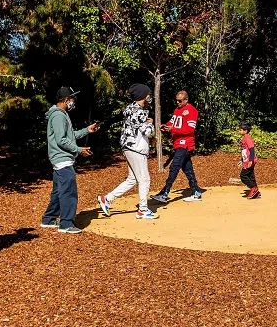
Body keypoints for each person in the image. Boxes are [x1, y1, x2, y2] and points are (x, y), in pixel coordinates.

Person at [41, 87, 99, 233]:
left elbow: (69, 135)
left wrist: (87, 130)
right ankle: (66, 224)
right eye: (72, 99)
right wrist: (79, 150)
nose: (74, 102)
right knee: (69, 192)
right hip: (62, 159)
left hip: (60, 158)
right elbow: (61, 140)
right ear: (66, 100)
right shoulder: (59, 116)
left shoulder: (60, 114)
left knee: (58, 191)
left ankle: (49, 219)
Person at [97, 84, 158, 220]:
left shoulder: (130, 108)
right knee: (144, 179)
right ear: (143, 96)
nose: (149, 97)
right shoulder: (140, 112)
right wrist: (151, 123)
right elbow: (147, 131)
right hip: (136, 148)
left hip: (128, 147)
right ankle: (142, 210)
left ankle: (106, 198)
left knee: (132, 179)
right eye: (148, 94)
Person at [150, 90, 204, 204]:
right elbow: (173, 122)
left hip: (185, 144)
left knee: (174, 167)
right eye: (176, 100)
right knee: (187, 169)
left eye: (180, 101)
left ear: (186, 100)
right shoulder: (177, 110)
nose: (177, 102)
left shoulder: (191, 111)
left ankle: (164, 193)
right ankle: (196, 192)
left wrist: (172, 129)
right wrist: (166, 126)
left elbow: (190, 129)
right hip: (177, 143)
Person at [238, 122, 259, 199]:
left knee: (243, 176)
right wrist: (242, 160)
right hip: (246, 160)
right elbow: (244, 151)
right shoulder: (244, 138)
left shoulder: (247, 138)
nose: (239, 131)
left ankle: (253, 188)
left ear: (245, 131)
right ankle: (257, 192)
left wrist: (250, 160)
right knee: (251, 175)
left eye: (241, 130)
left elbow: (252, 149)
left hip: (249, 161)